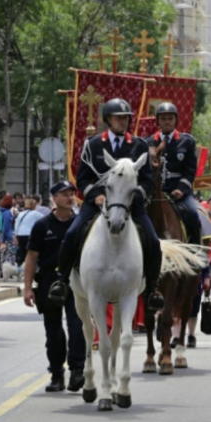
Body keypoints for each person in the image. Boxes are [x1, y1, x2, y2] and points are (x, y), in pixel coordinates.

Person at [48, 98, 164, 311]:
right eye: (119, 118)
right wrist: (96, 196)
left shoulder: (139, 146)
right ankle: (62, 281)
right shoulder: (92, 145)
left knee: (153, 241)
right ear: (108, 119)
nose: (123, 122)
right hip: (98, 203)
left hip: (130, 204)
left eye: (126, 118)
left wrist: (135, 196)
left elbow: (147, 181)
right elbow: (82, 179)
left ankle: (152, 290)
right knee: (72, 234)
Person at [22, 181, 86, 393]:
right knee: (54, 331)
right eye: (64, 194)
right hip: (49, 281)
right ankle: (57, 373)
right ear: (54, 199)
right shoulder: (42, 225)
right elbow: (32, 257)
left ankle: (77, 370)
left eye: (71, 194)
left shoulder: (80, 224)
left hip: (75, 280)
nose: (69, 198)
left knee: (77, 327)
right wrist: (28, 287)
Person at [148, 102, 201, 245]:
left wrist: (181, 189)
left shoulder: (187, 141)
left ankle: (196, 252)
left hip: (178, 193)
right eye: (163, 118)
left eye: (170, 118)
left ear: (175, 120)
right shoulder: (148, 142)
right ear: (158, 121)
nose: (167, 121)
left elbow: (190, 170)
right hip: (155, 194)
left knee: (193, 213)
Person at [14, 195, 44, 266]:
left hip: (20, 235)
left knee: (22, 253)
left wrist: (16, 236)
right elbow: (44, 220)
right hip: (30, 235)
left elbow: (16, 225)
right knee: (30, 254)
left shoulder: (20, 214)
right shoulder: (36, 214)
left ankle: (21, 269)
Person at [0, 194, 16, 266]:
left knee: (3, 255)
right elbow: (6, 226)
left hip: (2, 236)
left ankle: (2, 270)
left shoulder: (1, 211)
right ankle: (8, 272)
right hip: (8, 237)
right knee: (10, 255)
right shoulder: (7, 213)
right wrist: (3, 240)